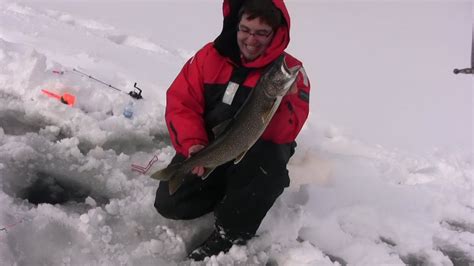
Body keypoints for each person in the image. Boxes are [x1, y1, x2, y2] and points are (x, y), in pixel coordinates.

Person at [154, 0, 310, 261]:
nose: (251, 40)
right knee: (170, 204)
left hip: (257, 154)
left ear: (275, 33)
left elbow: (285, 134)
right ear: (235, 26)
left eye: (262, 33)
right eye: (246, 29)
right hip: (212, 147)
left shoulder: (291, 72)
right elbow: (182, 103)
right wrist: (193, 144)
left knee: (267, 163)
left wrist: (284, 103)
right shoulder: (209, 56)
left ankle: (231, 232)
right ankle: (227, 192)